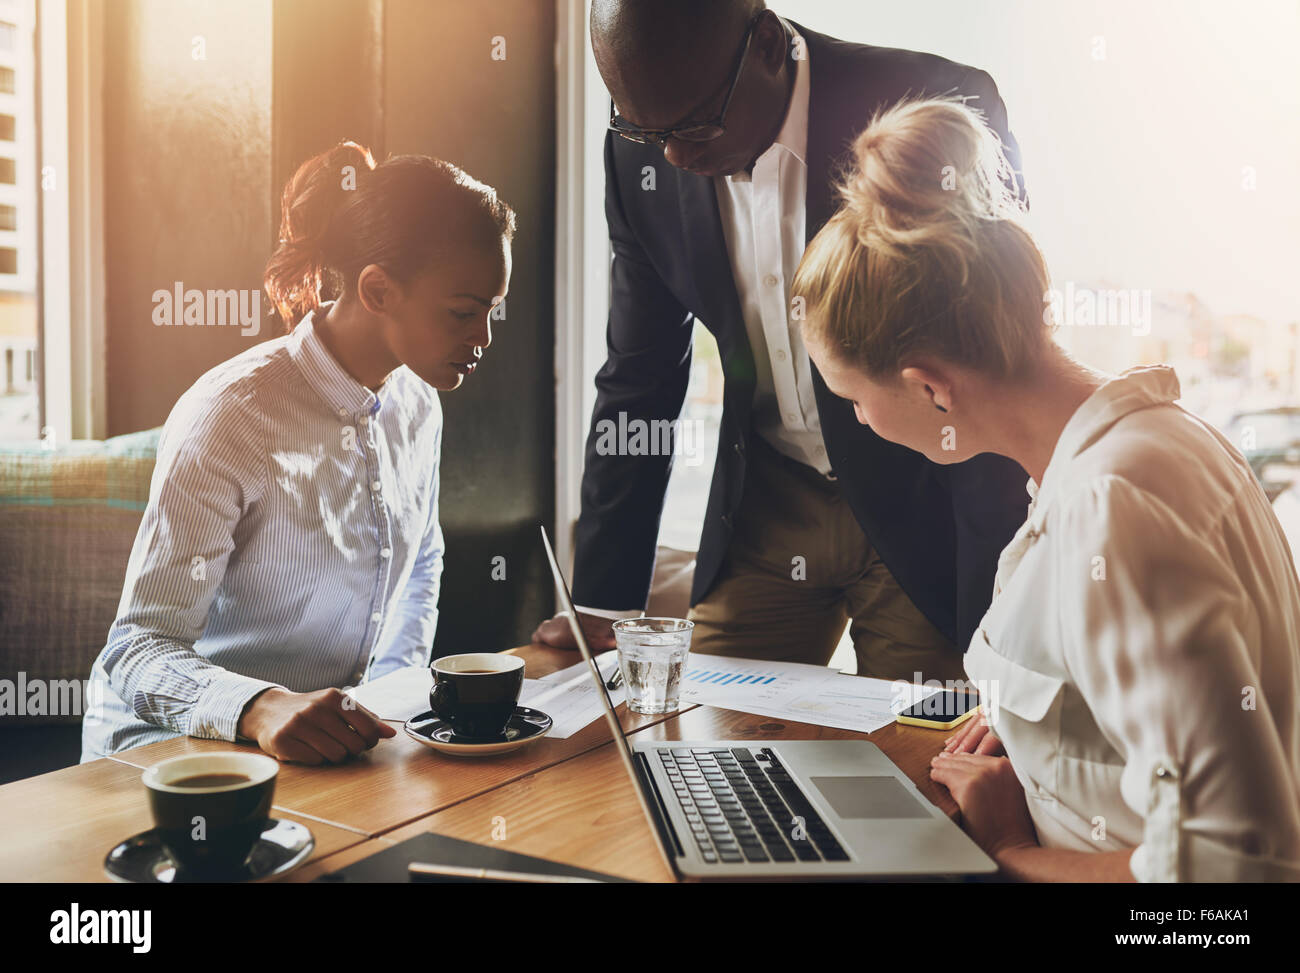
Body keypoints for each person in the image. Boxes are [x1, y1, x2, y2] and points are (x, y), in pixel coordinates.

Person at [791, 95, 1300, 881]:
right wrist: (1039, 737)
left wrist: (1014, 852)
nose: (856, 421)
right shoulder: (1150, 448)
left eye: (853, 396)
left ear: (931, 389)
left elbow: (1231, 878)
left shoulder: (1112, 509)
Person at [534, 0, 1030, 685]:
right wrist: (602, 599)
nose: (675, 155)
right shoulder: (638, 151)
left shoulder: (932, 108)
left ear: (767, 42)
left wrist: (997, 627)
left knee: (926, 763)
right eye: (647, 130)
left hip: (922, 501)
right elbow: (639, 374)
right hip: (767, 504)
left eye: (696, 123)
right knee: (704, 744)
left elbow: (992, 357)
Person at [81, 142, 515, 765]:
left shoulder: (419, 401)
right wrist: (259, 707)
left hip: (322, 753)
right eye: (463, 313)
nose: (484, 337)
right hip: (166, 753)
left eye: (493, 311)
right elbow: (136, 651)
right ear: (378, 290)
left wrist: (389, 705)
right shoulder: (234, 413)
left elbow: (422, 561)